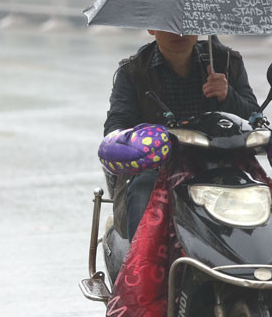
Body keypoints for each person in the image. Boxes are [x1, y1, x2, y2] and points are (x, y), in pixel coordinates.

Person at [104, 30, 259, 240]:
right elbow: (116, 125)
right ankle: (139, 269)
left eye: (187, 25)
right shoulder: (133, 72)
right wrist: (141, 140)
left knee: (265, 198)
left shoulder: (226, 63)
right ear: (151, 28)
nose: (179, 32)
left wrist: (227, 94)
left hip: (221, 164)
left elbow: (255, 120)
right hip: (157, 170)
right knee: (142, 192)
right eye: (169, 25)